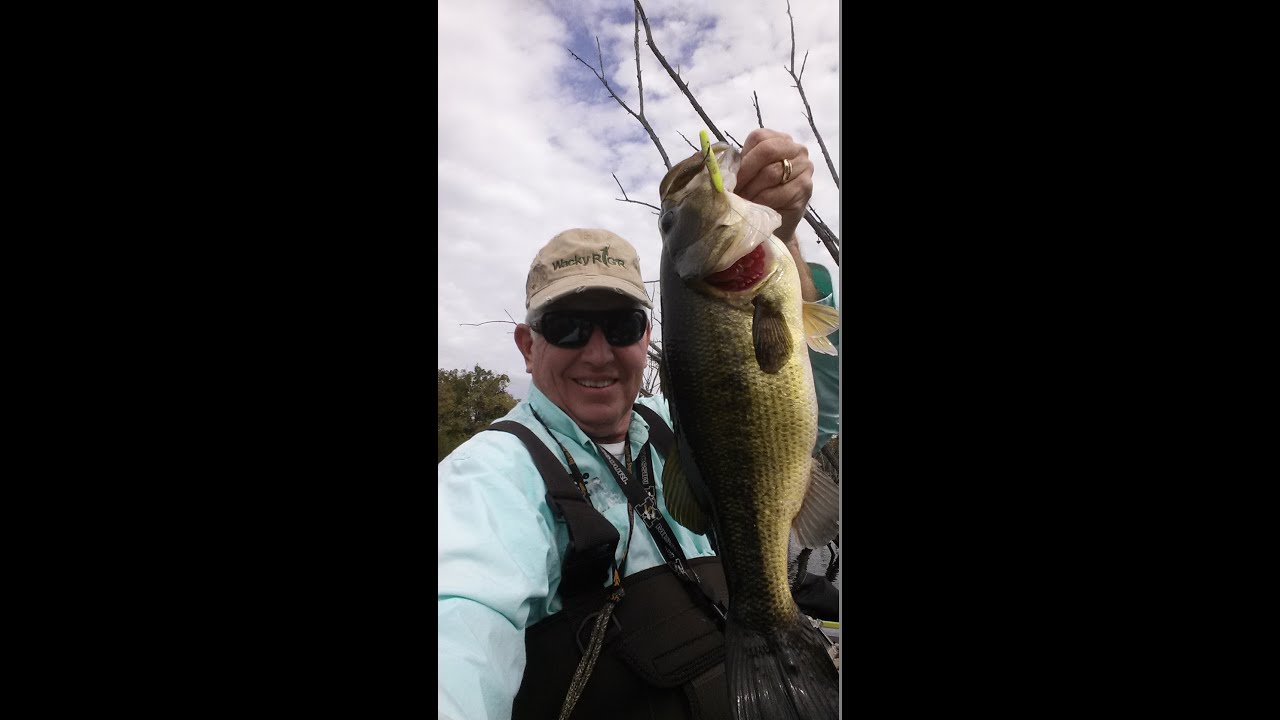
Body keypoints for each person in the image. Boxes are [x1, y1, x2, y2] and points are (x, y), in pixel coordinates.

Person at [438, 128, 839, 720]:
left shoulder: (684, 428)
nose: (597, 352)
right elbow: (460, 626)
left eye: (622, 325)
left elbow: (814, 404)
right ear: (527, 346)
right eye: (569, 326)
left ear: (649, 336)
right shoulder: (486, 483)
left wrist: (784, 233)